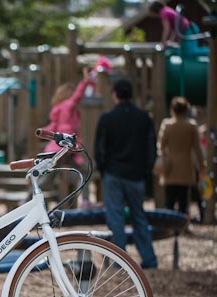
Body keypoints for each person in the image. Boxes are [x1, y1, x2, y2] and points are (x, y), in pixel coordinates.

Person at [94, 79, 158, 269]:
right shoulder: (143, 118)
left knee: (116, 218)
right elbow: (151, 148)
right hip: (136, 175)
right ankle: (149, 258)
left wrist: (104, 169)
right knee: (139, 217)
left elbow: (100, 149)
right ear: (131, 95)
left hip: (113, 173)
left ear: (114, 94)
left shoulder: (107, 118)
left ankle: (119, 260)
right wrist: (146, 171)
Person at [44, 68, 93, 207]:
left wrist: (42, 132)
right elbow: (77, 97)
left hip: (62, 150)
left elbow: (53, 127)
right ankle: (85, 200)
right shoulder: (68, 106)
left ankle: (28, 197)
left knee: (49, 176)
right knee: (86, 170)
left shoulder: (58, 109)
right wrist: (85, 82)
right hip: (66, 148)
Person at [156, 97, 207, 217]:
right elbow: (197, 149)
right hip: (186, 166)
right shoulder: (191, 125)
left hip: (170, 167)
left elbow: (161, 145)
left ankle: (169, 225)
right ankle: (181, 226)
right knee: (183, 201)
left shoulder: (167, 124)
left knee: (170, 200)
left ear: (172, 110)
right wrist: (201, 167)